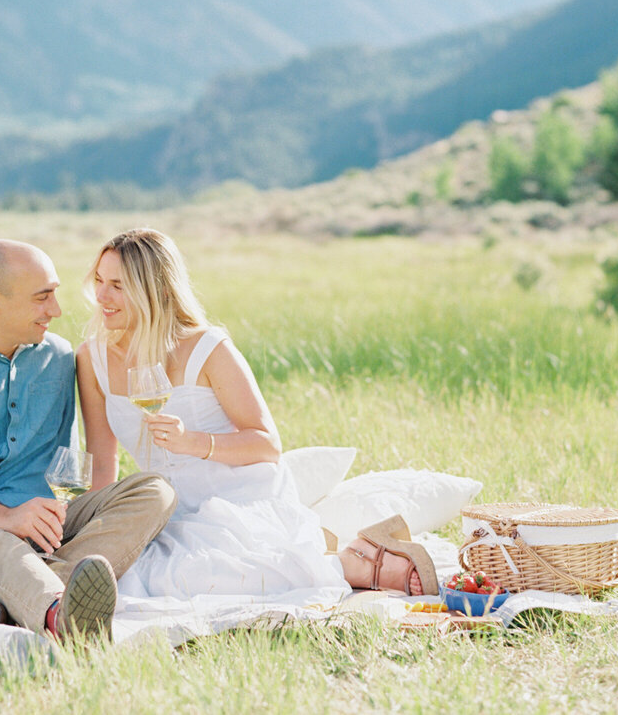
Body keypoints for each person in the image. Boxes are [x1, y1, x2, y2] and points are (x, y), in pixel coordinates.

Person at [77, 228, 437, 599]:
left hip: (239, 500)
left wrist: (192, 443)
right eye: (100, 281)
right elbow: (102, 465)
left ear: (159, 290)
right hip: (165, 513)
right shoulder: (93, 359)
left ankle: (357, 561)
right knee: (139, 577)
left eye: (118, 286)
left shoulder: (207, 348)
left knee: (202, 575)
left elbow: (267, 445)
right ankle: (325, 559)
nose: (102, 296)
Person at [0, 239, 176, 641]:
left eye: (55, 295)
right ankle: (65, 621)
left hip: (44, 528)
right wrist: (8, 518)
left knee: (155, 490)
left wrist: (61, 510)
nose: (56, 311)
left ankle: (13, 602)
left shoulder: (59, 358)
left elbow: (69, 460)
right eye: (42, 298)